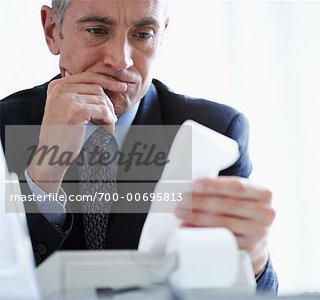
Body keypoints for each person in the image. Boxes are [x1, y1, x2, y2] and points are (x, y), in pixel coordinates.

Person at [0, 0, 277, 294]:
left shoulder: (216, 131)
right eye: (96, 30)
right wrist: (44, 176)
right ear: (52, 30)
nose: (121, 61)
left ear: (162, 34)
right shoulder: (4, 128)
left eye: (143, 34)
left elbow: (244, 290)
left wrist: (254, 259)